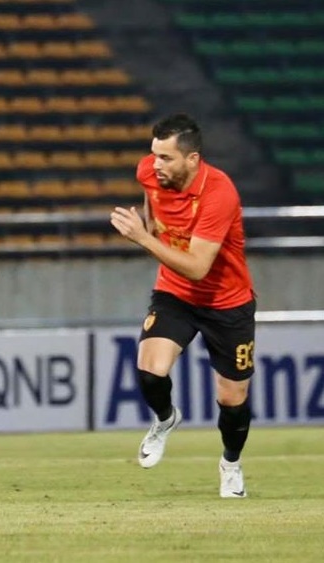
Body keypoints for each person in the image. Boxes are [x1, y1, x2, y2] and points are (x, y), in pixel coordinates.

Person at [110, 113, 255, 498]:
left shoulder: (219, 193)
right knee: (149, 370)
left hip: (226, 302)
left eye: (165, 158)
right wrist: (149, 228)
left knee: (232, 399)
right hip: (175, 293)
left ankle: (230, 464)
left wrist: (143, 239)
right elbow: (153, 211)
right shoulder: (148, 172)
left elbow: (197, 267)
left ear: (192, 160)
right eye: (154, 154)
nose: (155, 164)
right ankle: (165, 419)